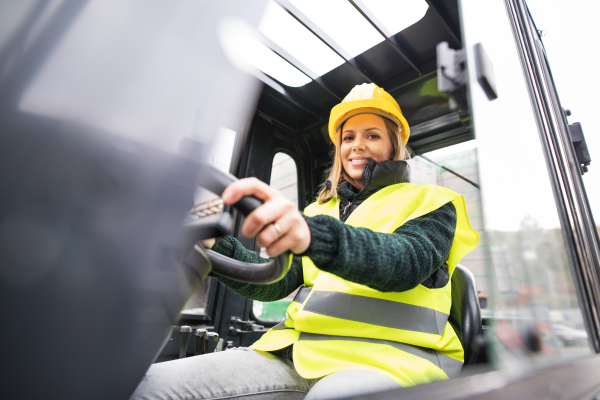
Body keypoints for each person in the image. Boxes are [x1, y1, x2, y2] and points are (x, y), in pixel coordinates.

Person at [130, 83, 479, 400]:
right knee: (149, 388)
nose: (357, 145)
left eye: (372, 135)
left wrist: (313, 236)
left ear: (394, 145)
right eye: (348, 138)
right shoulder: (319, 209)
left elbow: (406, 263)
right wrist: (214, 244)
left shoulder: (432, 202)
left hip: (391, 361)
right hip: (299, 354)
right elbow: (276, 280)